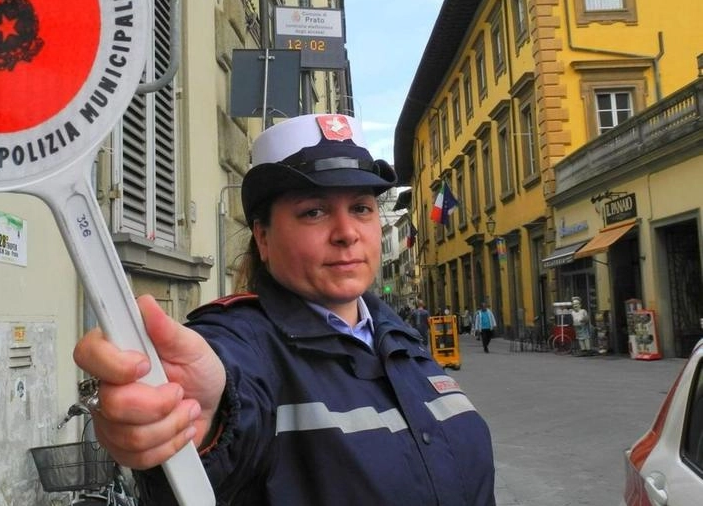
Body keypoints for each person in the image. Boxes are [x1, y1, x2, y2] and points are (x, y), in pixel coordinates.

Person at [73, 114, 496, 505]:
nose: (347, 233)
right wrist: (203, 420)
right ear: (263, 238)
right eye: (314, 212)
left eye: (361, 208)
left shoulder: (400, 336)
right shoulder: (243, 341)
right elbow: (229, 387)